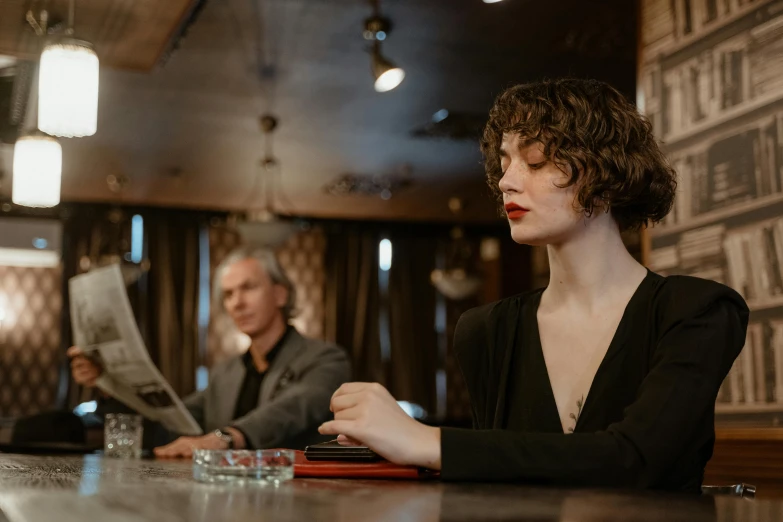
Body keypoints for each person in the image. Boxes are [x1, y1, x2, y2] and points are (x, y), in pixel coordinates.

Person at [318, 78, 749, 492]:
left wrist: (427, 441)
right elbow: (502, 484)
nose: (506, 181)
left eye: (536, 161)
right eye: (505, 162)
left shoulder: (698, 311)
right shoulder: (486, 330)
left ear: (606, 175)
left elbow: (636, 461)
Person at [69, 247, 351, 457]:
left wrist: (226, 437)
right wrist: (107, 383)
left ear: (280, 294)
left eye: (248, 288)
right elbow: (170, 423)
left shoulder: (326, 359)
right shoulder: (224, 373)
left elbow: (291, 409)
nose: (237, 302)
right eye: (228, 294)